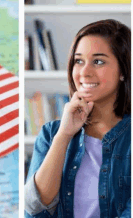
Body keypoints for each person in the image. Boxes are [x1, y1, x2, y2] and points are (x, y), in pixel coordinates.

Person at [25, 19, 131, 218]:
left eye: (98, 61)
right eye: (78, 61)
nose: (84, 72)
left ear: (123, 71)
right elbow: (33, 209)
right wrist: (64, 135)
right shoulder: (51, 134)